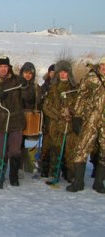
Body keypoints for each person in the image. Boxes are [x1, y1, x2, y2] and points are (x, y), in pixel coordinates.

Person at [0, 56, 34, 188]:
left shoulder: (17, 80)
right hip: (0, 121)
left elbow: (28, 97)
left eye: (5, 67)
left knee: (15, 150)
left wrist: (26, 86)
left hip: (16, 121)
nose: (3, 69)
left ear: (9, 67)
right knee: (0, 150)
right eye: (0, 67)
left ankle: (14, 175)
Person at [67, 57, 105, 193]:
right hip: (90, 120)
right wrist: (77, 116)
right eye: (102, 65)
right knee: (81, 148)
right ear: (99, 65)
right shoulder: (91, 78)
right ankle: (78, 182)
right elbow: (81, 97)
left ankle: (99, 182)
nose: (104, 67)